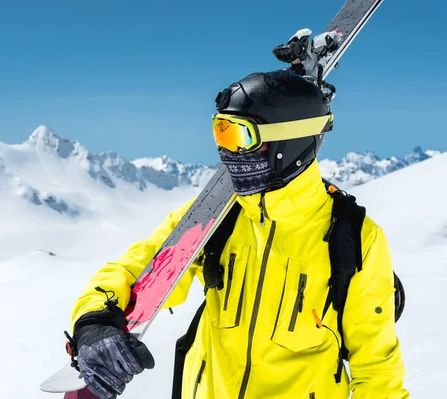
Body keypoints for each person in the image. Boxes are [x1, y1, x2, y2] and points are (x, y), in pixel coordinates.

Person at [67, 70, 408, 398]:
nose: (226, 152)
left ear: (288, 142)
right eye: (220, 132)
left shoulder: (354, 239)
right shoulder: (214, 216)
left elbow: (377, 368)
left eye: (240, 135)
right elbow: (134, 270)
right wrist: (94, 320)